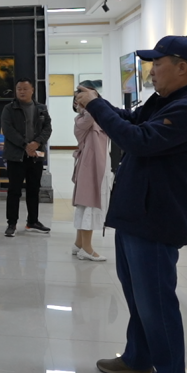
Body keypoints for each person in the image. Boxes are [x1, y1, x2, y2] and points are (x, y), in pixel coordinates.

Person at [75, 36, 187, 373]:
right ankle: (138, 358)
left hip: (157, 218)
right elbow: (131, 120)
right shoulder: (164, 101)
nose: (151, 71)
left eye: (158, 63)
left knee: (156, 302)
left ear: (182, 67)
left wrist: (96, 105)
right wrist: (98, 102)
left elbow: (138, 140)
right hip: (137, 213)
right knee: (138, 296)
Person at [0, 78, 52, 237]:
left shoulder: (41, 108)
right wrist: (25, 145)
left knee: (34, 189)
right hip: (16, 156)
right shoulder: (9, 108)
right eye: (19, 89)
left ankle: (33, 221)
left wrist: (37, 143)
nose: (21, 91)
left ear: (32, 90)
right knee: (14, 190)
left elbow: (47, 128)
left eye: (25, 88)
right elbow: (8, 130)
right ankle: (12, 223)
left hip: (36, 155)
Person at [72, 82, 110, 261]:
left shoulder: (96, 117)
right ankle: (86, 249)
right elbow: (92, 113)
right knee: (90, 204)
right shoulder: (83, 119)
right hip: (91, 167)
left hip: (98, 165)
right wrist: (89, 103)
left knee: (86, 204)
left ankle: (79, 243)